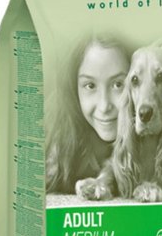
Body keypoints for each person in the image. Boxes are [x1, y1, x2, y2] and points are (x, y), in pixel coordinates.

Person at [45, 35, 131, 194]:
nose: (104, 106)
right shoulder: (57, 142)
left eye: (118, 84)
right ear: (74, 88)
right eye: (90, 86)